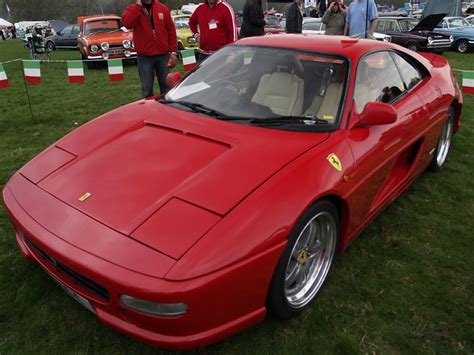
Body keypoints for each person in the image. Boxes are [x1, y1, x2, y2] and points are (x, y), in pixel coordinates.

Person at [122, 0, 177, 98]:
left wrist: (173, 52)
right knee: (147, 89)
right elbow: (127, 24)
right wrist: (137, 7)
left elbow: (171, 30)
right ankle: (148, 110)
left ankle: (166, 109)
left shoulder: (162, 8)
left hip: (163, 55)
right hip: (145, 56)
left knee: (166, 87)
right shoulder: (132, 9)